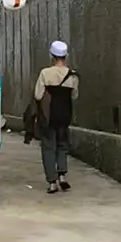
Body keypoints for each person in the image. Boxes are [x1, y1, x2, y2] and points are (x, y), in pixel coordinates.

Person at [35, 40, 80, 194]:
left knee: (48, 147)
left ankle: (52, 182)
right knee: (62, 145)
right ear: (66, 56)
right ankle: (62, 176)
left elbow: (38, 95)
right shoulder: (73, 76)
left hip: (49, 116)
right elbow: (74, 96)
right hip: (65, 115)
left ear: (51, 55)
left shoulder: (45, 73)